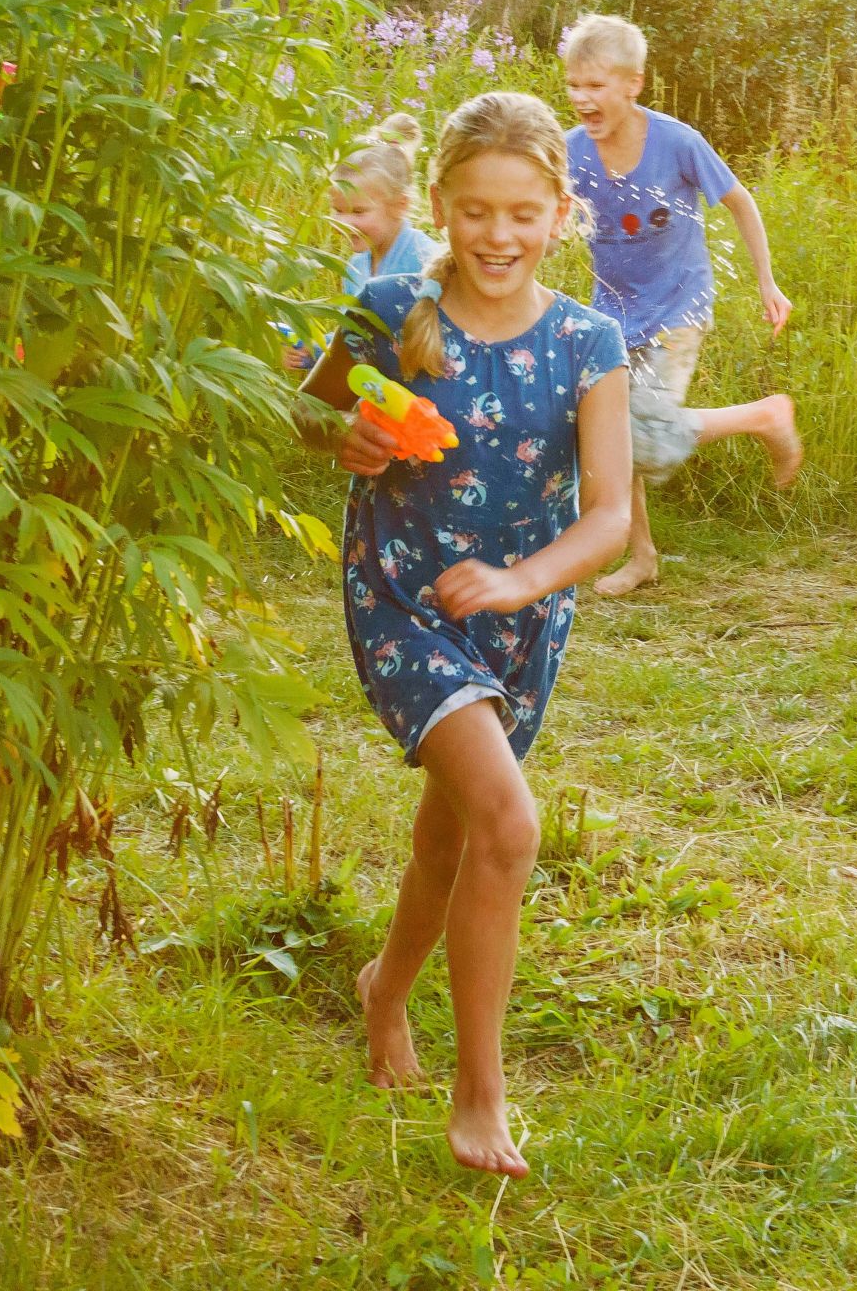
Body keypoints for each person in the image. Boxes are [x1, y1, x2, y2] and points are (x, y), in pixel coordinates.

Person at [295, 91, 632, 1177]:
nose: (498, 235)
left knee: (454, 828)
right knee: (507, 823)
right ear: (440, 205)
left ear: (557, 213)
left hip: (521, 618)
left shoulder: (589, 341)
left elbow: (612, 516)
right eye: (477, 212)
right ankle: (479, 1096)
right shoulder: (393, 305)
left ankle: (383, 990)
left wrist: (521, 580)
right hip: (401, 597)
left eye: (523, 213)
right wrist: (344, 438)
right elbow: (308, 402)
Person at [558, 13, 802, 596]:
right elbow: (546, 212)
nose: (581, 98)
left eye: (595, 85)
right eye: (573, 85)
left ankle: (765, 416)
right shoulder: (570, 152)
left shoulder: (677, 142)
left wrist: (767, 281)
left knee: (644, 438)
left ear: (632, 84)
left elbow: (740, 202)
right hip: (611, 313)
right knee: (614, 432)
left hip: (678, 307)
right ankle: (641, 557)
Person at [288, 114, 442, 371]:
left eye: (358, 212)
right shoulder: (355, 266)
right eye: (337, 210)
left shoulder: (426, 259)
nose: (344, 222)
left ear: (400, 205)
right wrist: (311, 350)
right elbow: (358, 337)